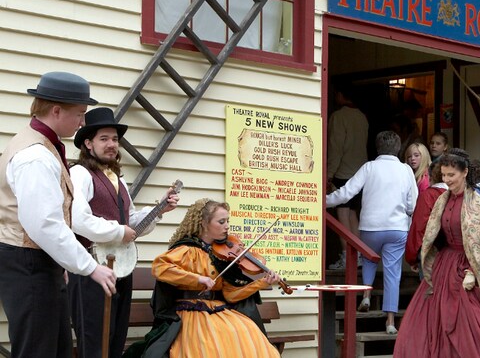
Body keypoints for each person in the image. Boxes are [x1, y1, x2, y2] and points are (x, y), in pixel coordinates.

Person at [0, 72, 116, 357]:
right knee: (39, 350)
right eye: (79, 113)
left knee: (57, 347)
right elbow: (43, 224)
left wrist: (60, 263)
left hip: (36, 261)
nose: (81, 122)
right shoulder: (35, 155)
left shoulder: (40, 144)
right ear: (56, 111)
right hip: (28, 263)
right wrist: (90, 267)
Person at [68, 107, 180, 358]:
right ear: (88, 143)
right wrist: (120, 232)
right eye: (104, 139)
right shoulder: (80, 174)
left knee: (116, 340)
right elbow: (78, 219)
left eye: (115, 139)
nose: (111, 145)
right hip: (90, 269)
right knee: (95, 343)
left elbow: (130, 222)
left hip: (120, 268)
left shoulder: (117, 179)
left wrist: (159, 209)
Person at [394, 149, 480, 357]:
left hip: (476, 268)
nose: (446, 180)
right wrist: (424, 255)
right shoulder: (442, 200)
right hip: (446, 266)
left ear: (464, 173)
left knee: (472, 325)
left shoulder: (478, 202)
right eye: (444, 175)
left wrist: (473, 270)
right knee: (427, 323)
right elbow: (435, 232)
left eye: (451, 175)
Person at [126, 199, 281, 357]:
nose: (227, 226)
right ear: (204, 223)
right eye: (221, 221)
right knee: (213, 341)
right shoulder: (187, 249)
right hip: (191, 312)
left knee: (246, 330)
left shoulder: (221, 256)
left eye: (228, 221)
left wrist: (261, 283)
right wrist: (198, 279)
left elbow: (230, 295)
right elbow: (160, 267)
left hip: (220, 311)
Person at [326, 131, 417, 334]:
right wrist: (407, 215)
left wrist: (324, 201)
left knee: (368, 260)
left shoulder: (369, 167)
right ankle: (390, 322)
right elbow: (413, 202)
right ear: (398, 149)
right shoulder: (405, 170)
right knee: (393, 273)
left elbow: (347, 192)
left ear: (377, 148)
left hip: (370, 227)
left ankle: (366, 296)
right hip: (397, 227)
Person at [327, 82, 368, 270]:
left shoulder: (339, 116)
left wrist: (329, 174)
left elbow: (336, 147)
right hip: (360, 173)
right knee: (353, 214)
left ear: (341, 95)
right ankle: (358, 255)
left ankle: (346, 258)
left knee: (342, 215)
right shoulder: (362, 117)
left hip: (343, 172)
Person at [405, 162, 447, 279]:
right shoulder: (457, 195)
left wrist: (412, 257)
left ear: (431, 176)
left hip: (430, 252)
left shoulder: (427, 196)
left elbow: (419, 227)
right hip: (452, 254)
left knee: (428, 291)